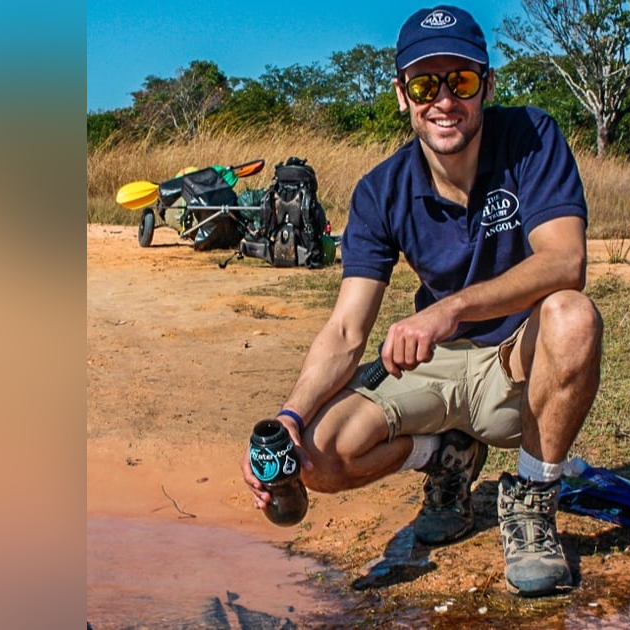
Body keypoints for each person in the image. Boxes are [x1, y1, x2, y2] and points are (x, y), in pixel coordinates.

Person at [240, 4, 602, 597]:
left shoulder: (531, 137)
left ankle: (533, 500)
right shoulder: (380, 190)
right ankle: (444, 456)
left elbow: (566, 261)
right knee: (320, 459)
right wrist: (290, 419)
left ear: (487, 85)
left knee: (572, 314)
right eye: (424, 85)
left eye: (460, 81)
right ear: (402, 95)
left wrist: (449, 309)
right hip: (441, 364)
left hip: (516, 363)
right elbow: (346, 331)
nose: (444, 101)